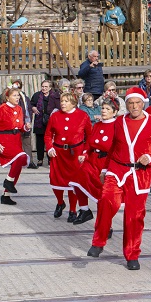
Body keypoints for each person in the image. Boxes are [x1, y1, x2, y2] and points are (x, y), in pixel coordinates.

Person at [87, 87, 151, 270]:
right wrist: (105, 169)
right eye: (130, 103)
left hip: (140, 175)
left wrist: (150, 157)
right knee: (106, 200)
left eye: (137, 102)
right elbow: (113, 146)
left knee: (134, 216)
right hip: (117, 169)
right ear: (126, 104)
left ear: (143, 103)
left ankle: (132, 254)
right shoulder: (119, 122)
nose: (134, 106)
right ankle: (98, 242)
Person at [44, 92, 92, 223]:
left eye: (66, 101)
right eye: (62, 101)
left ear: (73, 103)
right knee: (55, 180)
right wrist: (50, 148)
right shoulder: (55, 116)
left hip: (75, 154)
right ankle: (60, 203)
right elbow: (48, 135)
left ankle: (73, 210)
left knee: (73, 183)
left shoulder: (83, 116)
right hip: (58, 153)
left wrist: (85, 153)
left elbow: (90, 136)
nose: (63, 103)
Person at [70, 99, 119, 222]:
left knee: (102, 195)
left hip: (106, 163)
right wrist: (85, 154)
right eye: (103, 108)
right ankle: (85, 210)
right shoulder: (97, 125)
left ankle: (106, 225)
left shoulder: (117, 126)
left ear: (114, 112)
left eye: (108, 109)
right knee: (77, 180)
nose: (103, 111)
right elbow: (89, 144)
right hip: (92, 161)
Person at [0, 87, 30, 205]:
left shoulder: (20, 109)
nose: (17, 98)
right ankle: (8, 181)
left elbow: (19, 126)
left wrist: (25, 127)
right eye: (14, 95)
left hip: (16, 141)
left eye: (18, 95)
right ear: (7, 97)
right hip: (4, 140)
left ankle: (6, 195)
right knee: (22, 157)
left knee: (18, 164)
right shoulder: (2, 109)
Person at [31, 79, 61, 167]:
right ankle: (40, 159)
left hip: (51, 121)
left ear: (50, 87)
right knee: (39, 141)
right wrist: (33, 108)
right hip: (39, 121)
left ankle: (50, 159)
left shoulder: (54, 96)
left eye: (46, 87)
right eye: (43, 86)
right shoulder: (37, 95)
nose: (44, 88)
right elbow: (31, 104)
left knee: (50, 140)